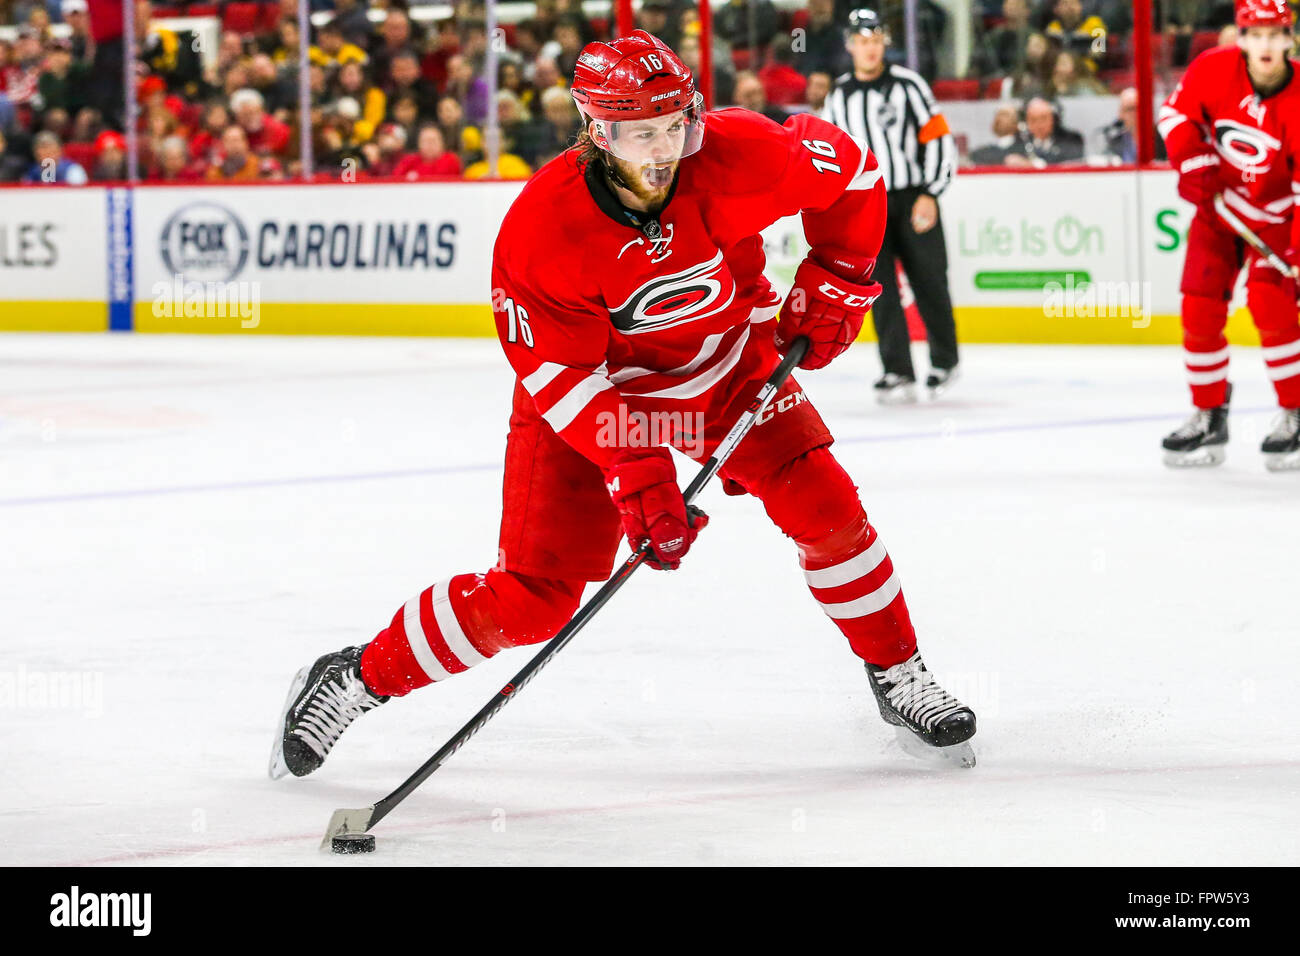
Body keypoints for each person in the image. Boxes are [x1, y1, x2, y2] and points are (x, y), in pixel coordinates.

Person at [270, 29, 977, 781]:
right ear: (596, 130)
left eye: (676, 124)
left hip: (726, 368)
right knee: (533, 600)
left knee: (827, 507)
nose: (665, 148)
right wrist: (634, 469)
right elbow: (559, 373)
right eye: (642, 132)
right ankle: (355, 679)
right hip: (597, 399)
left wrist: (838, 273)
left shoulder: (740, 153)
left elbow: (856, 172)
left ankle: (899, 675)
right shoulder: (542, 229)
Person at [1157, 0, 1300, 470]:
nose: (1264, 44)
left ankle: (1295, 411)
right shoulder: (1212, 69)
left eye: (1273, 34)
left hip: (1278, 216)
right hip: (1220, 210)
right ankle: (1208, 413)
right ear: (1240, 38)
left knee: (1270, 303)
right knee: (1199, 304)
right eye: (1254, 34)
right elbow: (1173, 116)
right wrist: (1192, 159)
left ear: (1288, 38)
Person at [822, 8, 959, 403]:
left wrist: (932, 193)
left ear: (885, 43)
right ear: (850, 46)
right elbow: (831, 154)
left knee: (930, 279)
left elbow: (937, 137)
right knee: (878, 288)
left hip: (913, 196)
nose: (869, 49)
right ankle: (897, 368)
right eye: (862, 42)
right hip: (867, 205)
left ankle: (944, 361)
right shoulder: (838, 96)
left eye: (876, 40)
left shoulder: (908, 85)